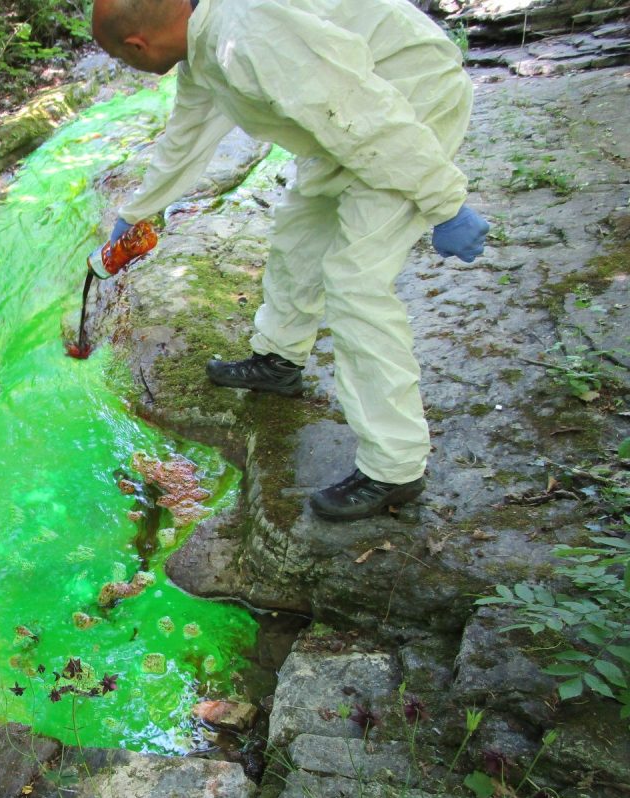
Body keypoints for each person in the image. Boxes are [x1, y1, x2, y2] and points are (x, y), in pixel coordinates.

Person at [91, 0, 489, 521]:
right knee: (300, 234)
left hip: (406, 107)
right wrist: (136, 213)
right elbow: (184, 139)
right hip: (342, 125)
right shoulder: (202, 48)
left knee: (356, 283)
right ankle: (278, 361)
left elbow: (358, 111)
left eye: (122, 60)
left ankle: (395, 467)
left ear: (137, 45)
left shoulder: (249, 33)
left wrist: (444, 203)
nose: (129, 67)